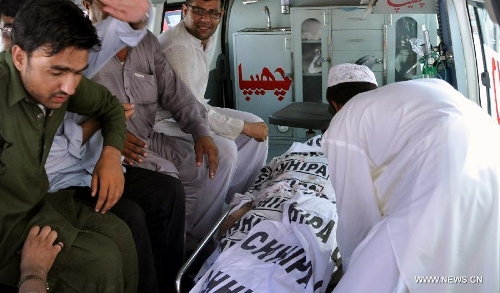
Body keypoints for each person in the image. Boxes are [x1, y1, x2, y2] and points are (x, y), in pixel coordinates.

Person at [0, 0, 152, 291]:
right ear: (19, 57)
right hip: (7, 230)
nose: (69, 88)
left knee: (121, 232)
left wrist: (110, 154)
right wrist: (33, 272)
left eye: (78, 72)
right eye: (57, 72)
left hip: (38, 203)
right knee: (101, 260)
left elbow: (109, 106)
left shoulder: (59, 75)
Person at [321, 63, 500, 292]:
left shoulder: (344, 120)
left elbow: (355, 209)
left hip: (446, 163)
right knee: (467, 261)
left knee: (383, 273)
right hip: (491, 149)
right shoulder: (409, 95)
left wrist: (353, 264)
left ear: (335, 105)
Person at [82, 0, 224, 252]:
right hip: (97, 149)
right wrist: (110, 135)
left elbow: (174, 91)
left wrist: (201, 130)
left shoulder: (146, 41)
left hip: (145, 138)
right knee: (166, 176)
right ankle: (161, 257)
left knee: (196, 162)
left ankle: (180, 241)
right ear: (87, 4)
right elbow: (64, 111)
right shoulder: (74, 46)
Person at [155, 0, 269, 205]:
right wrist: (242, 127)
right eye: (198, 11)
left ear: (221, 15)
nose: (205, 19)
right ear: (185, 10)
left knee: (256, 124)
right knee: (226, 150)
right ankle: (205, 224)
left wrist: (246, 126)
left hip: (195, 107)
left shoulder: (205, 33)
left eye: (212, 13)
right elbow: (188, 108)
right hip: (168, 119)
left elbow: (197, 103)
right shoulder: (177, 49)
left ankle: (238, 200)